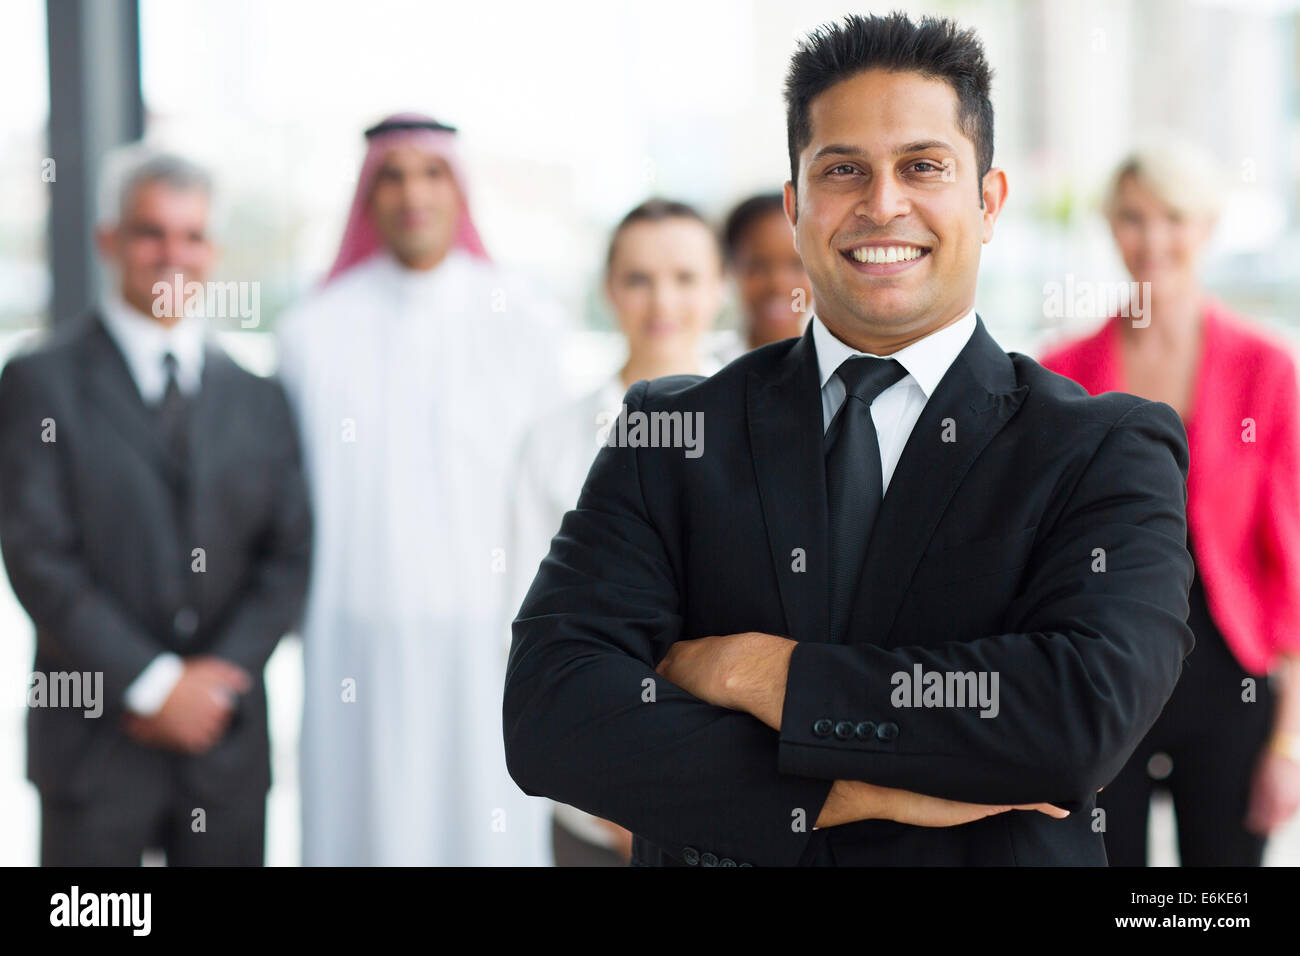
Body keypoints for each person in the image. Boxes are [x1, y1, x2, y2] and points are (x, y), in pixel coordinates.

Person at [503, 12, 1195, 867]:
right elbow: (551, 711)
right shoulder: (668, 435)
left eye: (923, 166)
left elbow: (1077, 714)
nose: (882, 203)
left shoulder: (1101, 448)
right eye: (843, 170)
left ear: (989, 202)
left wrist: (756, 674)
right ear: (795, 208)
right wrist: (846, 792)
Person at [0, 145, 312, 865]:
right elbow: (37, 553)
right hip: (92, 747)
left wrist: (210, 687)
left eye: (192, 235)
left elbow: (289, 555)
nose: (174, 254)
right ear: (108, 240)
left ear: (214, 250)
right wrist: (152, 684)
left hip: (223, 744)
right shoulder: (39, 382)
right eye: (151, 232)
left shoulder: (258, 398)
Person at [278, 113, 567, 866]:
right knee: (364, 830)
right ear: (367, 196)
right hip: (353, 645)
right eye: (393, 176)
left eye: (431, 173)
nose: (414, 193)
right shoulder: (313, 330)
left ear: (458, 188)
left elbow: (557, 496)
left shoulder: (525, 320)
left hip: (494, 644)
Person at [1039, 141, 1300, 865]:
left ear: (1209, 225)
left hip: (1230, 684)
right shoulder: (1064, 370)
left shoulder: (1266, 369)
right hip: (1106, 683)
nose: (1153, 239)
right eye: (1132, 217)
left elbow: (1292, 560)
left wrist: (1290, 742)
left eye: (1174, 217)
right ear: (1110, 227)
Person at [506, 198, 726, 865]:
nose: (662, 299)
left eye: (685, 277)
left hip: (737, 806)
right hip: (593, 814)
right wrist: (608, 800)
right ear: (608, 291)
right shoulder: (552, 442)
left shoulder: (777, 428)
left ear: (721, 287)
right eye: (638, 278)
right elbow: (530, 629)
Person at [717, 192, 813, 364]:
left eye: (797, 264)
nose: (778, 284)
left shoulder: (849, 371)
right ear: (729, 269)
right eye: (759, 266)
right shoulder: (705, 370)